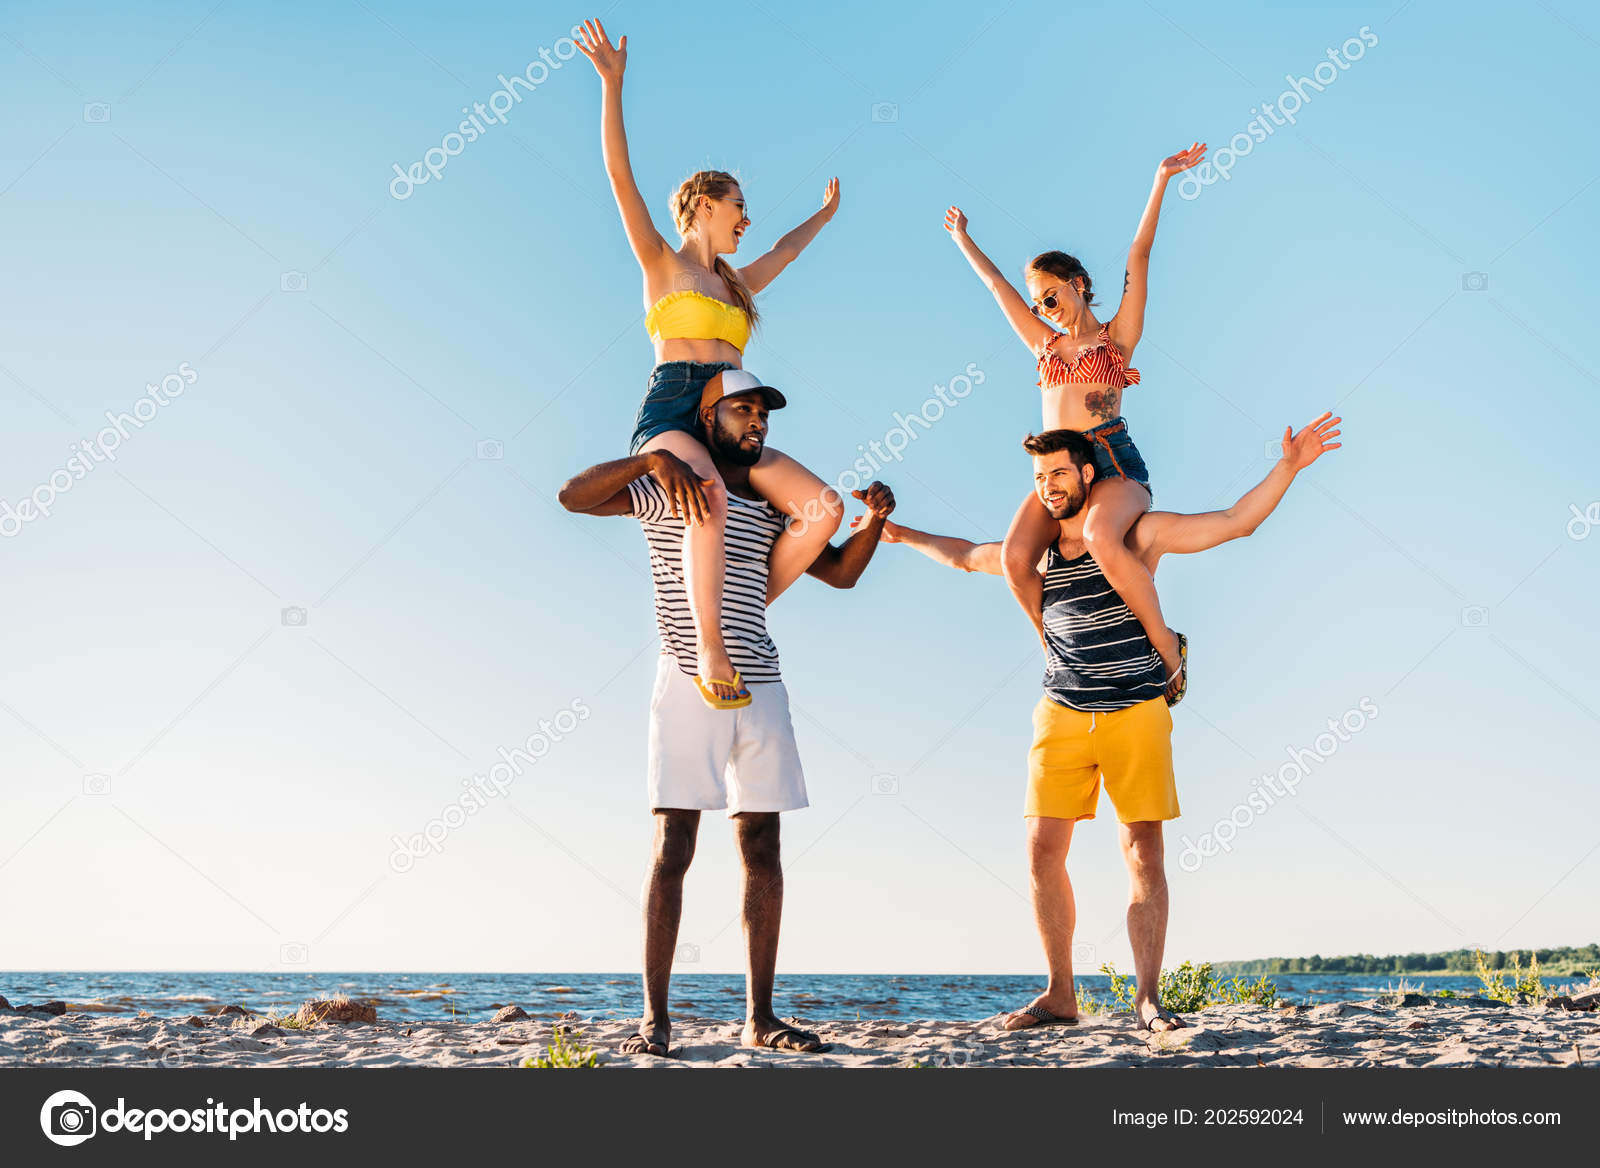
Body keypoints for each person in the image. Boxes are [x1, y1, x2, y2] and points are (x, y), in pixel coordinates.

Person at [873, 412, 1341, 1031]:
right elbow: (964, 555)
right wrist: (900, 534)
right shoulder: (1037, 560)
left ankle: (1148, 996)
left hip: (1134, 712)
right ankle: (1060, 993)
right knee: (1041, 851)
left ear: (1088, 475)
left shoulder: (1136, 538)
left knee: (1143, 852)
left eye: (1060, 473)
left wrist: (1287, 466)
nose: (1049, 486)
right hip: (1061, 712)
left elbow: (1234, 523)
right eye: (1040, 477)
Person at [559, 368, 897, 1057]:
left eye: (763, 416)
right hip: (687, 678)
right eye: (743, 412)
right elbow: (573, 496)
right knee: (673, 847)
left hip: (762, 682)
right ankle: (655, 1020)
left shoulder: (773, 505)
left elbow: (838, 573)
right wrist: (651, 457)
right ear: (708, 418)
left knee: (762, 849)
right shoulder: (673, 488)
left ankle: (760, 1017)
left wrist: (874, 524)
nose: (758, 424)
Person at [576, 18, 843, 710]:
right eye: (739, 206)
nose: (747, 218)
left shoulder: (738, 285)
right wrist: (612, 86)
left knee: (822, 510)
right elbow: (618, 175)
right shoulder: (663, 264)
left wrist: (823, 215)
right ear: (702, 206)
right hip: (673, 407)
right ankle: (711, 647)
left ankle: (739, 606)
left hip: (729, 408)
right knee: (708, 500)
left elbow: (784, 250)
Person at [943, 142, 1206, 703]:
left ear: (1078, 284)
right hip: (1057, 469)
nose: (1043, 308)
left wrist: (1161, 181)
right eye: (1038, 303)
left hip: (1108, 462)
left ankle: (1166, 650)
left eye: (1050, 296)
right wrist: (964, 238)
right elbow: (998, 289)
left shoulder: (1116, 339)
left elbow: (1139, 255)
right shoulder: (1043, 345)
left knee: (1099, 538)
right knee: (1016, 560)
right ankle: (1057, 654)